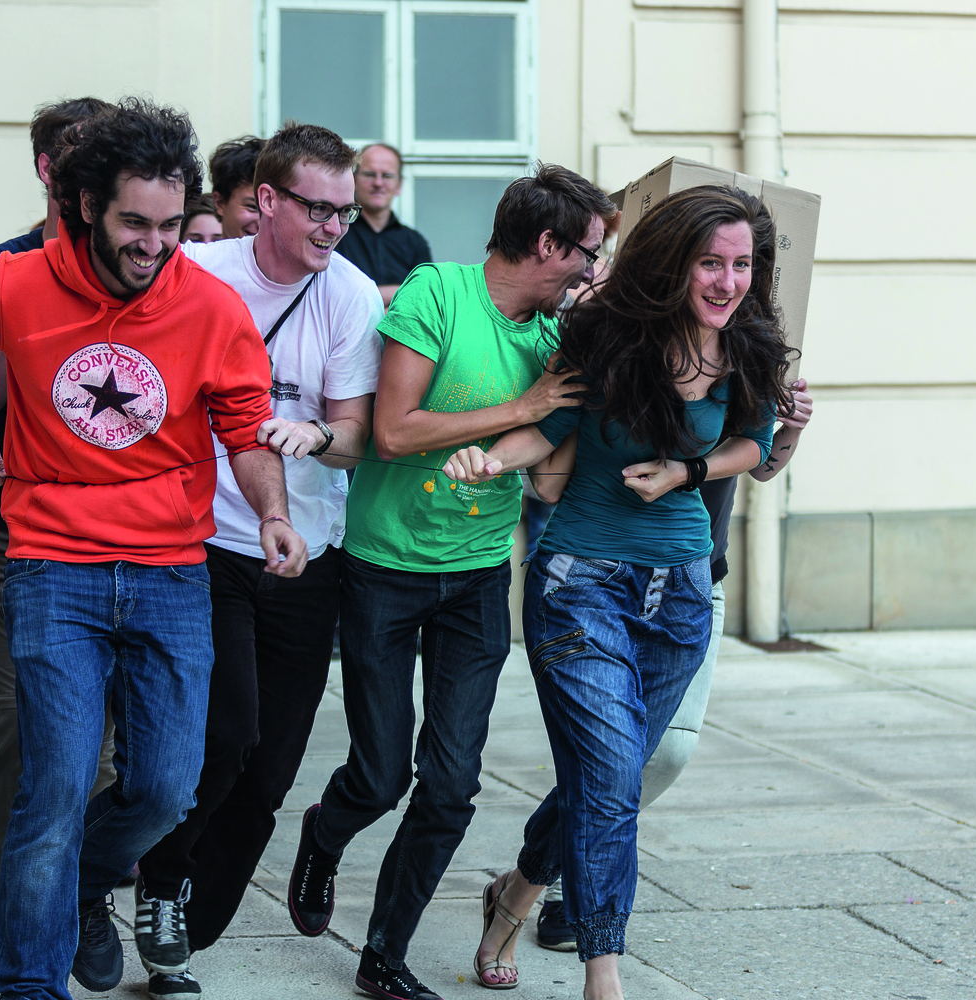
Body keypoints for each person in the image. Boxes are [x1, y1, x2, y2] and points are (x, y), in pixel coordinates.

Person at [0, 97, 308, 1000]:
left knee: (166, 788)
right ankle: (26, 979)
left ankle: (80, 887)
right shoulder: (13, 283)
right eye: (134, 222)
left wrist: (273, 512)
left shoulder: (211, 306)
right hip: (52, 567)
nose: (154, 243)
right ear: (88, 205)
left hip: (170, 572)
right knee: (56, 782)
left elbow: (243, 426)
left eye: (169, 224)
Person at [444, 185, 794, 999]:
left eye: (741, 264)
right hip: (580, 586)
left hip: (680, 600)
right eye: (711, 261)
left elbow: (756, 441)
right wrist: (491, 458)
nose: (727, 280)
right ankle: (606, 974)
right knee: (608, 783)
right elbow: (548, 427)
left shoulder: (750, 344)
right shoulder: (604, 338)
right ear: (674, 262)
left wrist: (688, 470)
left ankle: (515, 894)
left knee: (608, 778)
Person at [286, 163, 614, 1000]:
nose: (588, 270)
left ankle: (383, 956)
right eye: (586, 254)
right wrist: (526, 405)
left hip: (474, 582)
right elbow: (393, 432)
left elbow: (543, 481)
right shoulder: (437, 292)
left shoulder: (555, 342)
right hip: (383, 572)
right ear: (547, 244)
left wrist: (601, 391)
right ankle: (326, 831)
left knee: (451, 786)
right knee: (381, 773)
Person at [132, 122, 382, 997]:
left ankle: (188, 935)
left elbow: (358, 440)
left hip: (308, 555)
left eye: (345, 212)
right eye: (317, 208)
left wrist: (317, 433)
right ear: (265, 202)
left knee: (273, 767)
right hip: (203, 541)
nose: (332, 227)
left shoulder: (350, 296)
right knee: (224, 735)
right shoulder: (197, 275)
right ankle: (159, 888)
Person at [531, 379, 814, 950]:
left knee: (658, 757)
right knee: (608, 762)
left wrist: (793, 425)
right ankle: (572, 893)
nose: (727, 284)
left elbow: (759, 465)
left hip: (692, 579)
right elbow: (547, 475)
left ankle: (522, 884)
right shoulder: (621, 343)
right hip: (600, 570)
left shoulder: (744, 352)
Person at [0, 95, 118, 979]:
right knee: (19, 734)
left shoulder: (145, 263)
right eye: (69, 158)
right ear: (47, 171)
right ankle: (5, 910)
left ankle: (78, 897)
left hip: (119, 545)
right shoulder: (4, 265)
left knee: (98, 750)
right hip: (17, 540)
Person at [334, 143, 432, 307]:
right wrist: (398, 292)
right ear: (354, 180)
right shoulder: (336, 232)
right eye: (370, 174)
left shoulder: (415, 243)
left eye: (387, 175)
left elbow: (425, 300)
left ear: (399, 185)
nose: (378, 183)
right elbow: (333, 296)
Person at [209, 136, 264, 239]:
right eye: (252, 207)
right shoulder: (196, 254)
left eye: (272, 209)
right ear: (220, 203)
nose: (262, 222)